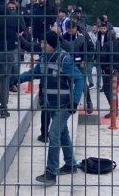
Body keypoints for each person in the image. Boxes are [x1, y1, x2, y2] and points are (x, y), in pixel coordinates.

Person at [19, 31, 84, 186]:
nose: (41, 45)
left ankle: (51, 172)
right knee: (62, 134)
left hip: (64, 106)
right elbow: (34, 73)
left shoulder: (64, 60)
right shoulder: (44, 58)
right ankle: (71, 164)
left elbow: (79, 80)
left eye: (44, 43)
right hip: (51, 104)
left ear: (51, 45)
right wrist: (17, 78)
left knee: (53, 135)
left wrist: (74, 102)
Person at [61, 20, 94, 114]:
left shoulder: (84, 35)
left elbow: (91, 48)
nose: (70, 32)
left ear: (75, 28)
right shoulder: (65, 36)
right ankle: (72, 102)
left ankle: (88, 102)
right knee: (70, 82)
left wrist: (86, 60)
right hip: (70, 63)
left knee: (83, 83)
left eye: (72, 30)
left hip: (81, 63)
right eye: (68, 30)